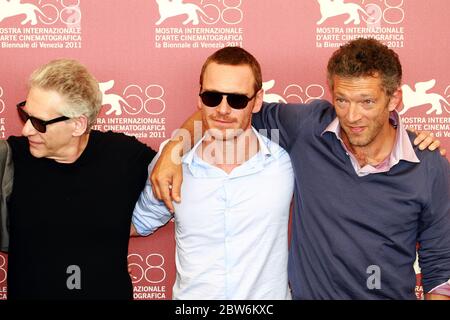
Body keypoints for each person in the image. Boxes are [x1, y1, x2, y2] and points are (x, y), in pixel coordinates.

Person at [151, 39, 450, 299]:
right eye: (342, 100)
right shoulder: (309, 127)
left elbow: (441, 267)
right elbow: (225, 110)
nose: (352, 116)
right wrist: (174, 149)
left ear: (394, 98)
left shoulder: (429, 165)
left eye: (367, 101)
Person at [131, 47, 294, 299]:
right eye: (212, 97)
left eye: (237, 99)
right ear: (199, 98)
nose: (223, 109)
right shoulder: (172, 164)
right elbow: (138, 222)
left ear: (257, 101)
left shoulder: (284, 164)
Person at [5, 59, 156, 300]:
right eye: (25, 114)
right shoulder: (10, 159)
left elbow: (177, 174)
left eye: (39, 122)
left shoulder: (123, 155)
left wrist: (173, 151)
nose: (26, 130)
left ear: (77, 125)